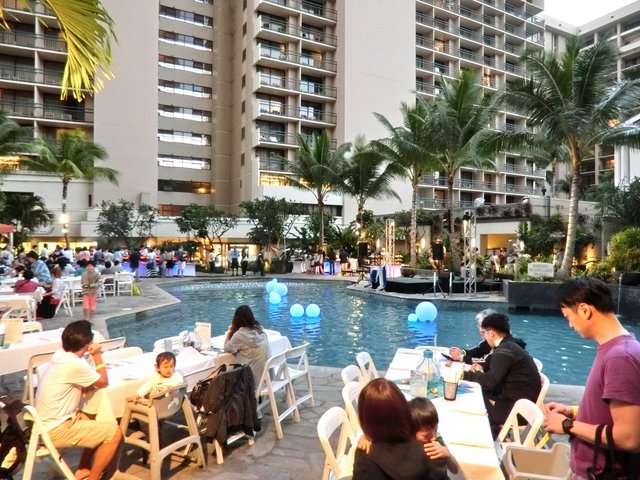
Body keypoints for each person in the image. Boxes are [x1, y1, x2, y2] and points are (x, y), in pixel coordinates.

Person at [543, 278, 640, 479]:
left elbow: (629, 438)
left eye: (568, 317)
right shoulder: (615, 349)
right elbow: (611, 413)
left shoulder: (620, 357)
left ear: (585, 310)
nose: (570, 325)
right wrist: (574, 412)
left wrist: (567, 425)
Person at [35, 320, 123, 480]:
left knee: (95, 415)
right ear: (87, 344)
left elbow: (71, 379)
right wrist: (96, 355)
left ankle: (83, 468)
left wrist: (83, 384)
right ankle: (93, 478)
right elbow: (103, 382)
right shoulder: (75, 364)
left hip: (42, 424)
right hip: (54, 429)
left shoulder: (60, 355)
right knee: (115, 434)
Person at [461, 312, 541, 434]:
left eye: (485, 333)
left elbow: (491, 380)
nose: (485, 337)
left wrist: (463, 375)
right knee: (475, 394)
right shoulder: (510, 346)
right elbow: (494, 371)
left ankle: (481, 436)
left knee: (471, 401)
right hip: (521, 406)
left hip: (515, 411)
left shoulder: (505, 349)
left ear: (492, 334)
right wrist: (480, 368)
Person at [353, 378, 434, 479]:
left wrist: (366, 436)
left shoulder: (366, 456)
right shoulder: (424, 442)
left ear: (364, 419)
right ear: (405, 410)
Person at [449, 308, 526, 367]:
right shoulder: (490, 342)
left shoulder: (506, 345)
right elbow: (477, 352)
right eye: (479, 326)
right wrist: (461, 352)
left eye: (484, 328)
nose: (481, 330)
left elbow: (487, 362)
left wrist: (461, 357)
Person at [409, 397, 460, 480]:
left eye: (435, 430)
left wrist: (447, 454)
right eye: (426, 436)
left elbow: (455, 470)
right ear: (411, 432)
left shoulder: (437, 439)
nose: (433, 438)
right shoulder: (408, 446)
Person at [224, 305, 270, 385]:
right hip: (266, 378)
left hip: (249, 380)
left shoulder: (240, 334)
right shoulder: (260, 328)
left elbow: (226, 348)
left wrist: (229, 332)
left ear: (236, 319)